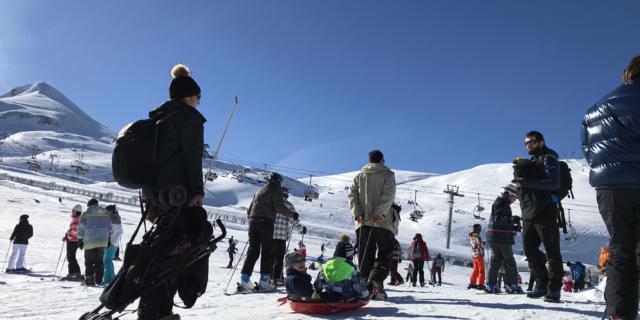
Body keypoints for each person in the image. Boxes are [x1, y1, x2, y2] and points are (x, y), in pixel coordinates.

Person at [137, 64, 210, 320]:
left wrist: (150, 201)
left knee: (164, 251)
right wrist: (197, 192)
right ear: (189, 96)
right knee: (181, 249)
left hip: (156, 196)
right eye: (198, 97)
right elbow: (192, 159)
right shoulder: (189, 119)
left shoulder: (158, 118)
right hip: (179, 195)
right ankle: (160, 311)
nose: (200, 102)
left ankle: (154, 310)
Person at [581, 55, 640, 320]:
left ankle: (618, 314)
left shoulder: (596, 108)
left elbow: (589, 150)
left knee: (621, 249)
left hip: (611, 188)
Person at [513, 130, 563, 302]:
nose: (528, 145)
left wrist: (525, 182)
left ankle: (554, 289)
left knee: (552, 252)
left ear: (541, 142)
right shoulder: (531, 162)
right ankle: (542, 284)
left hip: (545, 211)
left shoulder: (549, 158)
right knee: (530, 250)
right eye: (526, 143)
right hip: (529, 213)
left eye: (532, 142)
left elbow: (554, 183)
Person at [239, 172, 299, 293]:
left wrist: (253, 219)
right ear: (278, 181)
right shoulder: (275, 189)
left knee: (253, 251)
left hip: (253, 222)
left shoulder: (259, 191)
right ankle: (264, 281)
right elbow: (279, 207)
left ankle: (244, 280)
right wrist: (292, 215)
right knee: (267, 252)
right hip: (265, 223)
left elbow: (249, 209)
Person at [348, 149, 396, 299]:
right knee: (385, 252)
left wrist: (358, 214)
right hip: (382, 222)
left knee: (365, 254)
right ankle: (376, 281)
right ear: (381, 160)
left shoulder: (358, 176)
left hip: (363, 223)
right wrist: (379, 213)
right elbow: (389, 195)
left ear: (369, 161)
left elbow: (352, 196)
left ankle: (363, 287)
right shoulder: (388, 174)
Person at [485, 184, 523, 294]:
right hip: (501, 237)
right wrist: (512, 220)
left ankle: (491, 284)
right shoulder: (501, 203)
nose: (515, 200)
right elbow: (499, 219)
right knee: (509, 261)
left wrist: (512, 225)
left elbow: (501, 221)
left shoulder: (500, 203)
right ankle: (512, 284)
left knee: (495, 260)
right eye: (514, 197)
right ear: (507, 194)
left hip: (494, 236)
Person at [77, 198, 111, 286]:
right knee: (99, 260)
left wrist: (80, 239)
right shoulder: (105, 213)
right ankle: (99, 280)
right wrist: (109, 239)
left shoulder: (86, 213)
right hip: (102, 240)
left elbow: (81, 227)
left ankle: (89, 279)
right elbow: (109, 226)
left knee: (89, 260)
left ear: (89, 205)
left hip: (90, 240)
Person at [272, 191, 296, 285]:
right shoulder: (289, 205)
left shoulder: (273, 203)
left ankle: (267, 277)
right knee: (279, 258)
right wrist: (302, 229)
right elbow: (294, 220)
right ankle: (278, 278)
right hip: (281, 237)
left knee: (270, 256)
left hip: (270, 234)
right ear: (287, 196)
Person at [102, 205, 123, 285]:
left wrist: (110, 242)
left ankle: (108, 279)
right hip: (112, 243)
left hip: (111, 243)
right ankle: (111, 278)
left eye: (107, 211)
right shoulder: (115, 218)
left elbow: (113, 232)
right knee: (107, 260)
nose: (106, 213)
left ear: (111, 211)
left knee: (106, 261)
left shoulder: (113, 219)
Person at [62, 204, 83, 280]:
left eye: (73, 211)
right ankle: (74, 272)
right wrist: (67, 235)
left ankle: (74, 273)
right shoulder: (75, 219)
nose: (72, 212)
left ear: (77, 212)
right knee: (71, 257)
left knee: (71, 257)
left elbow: (75, 232)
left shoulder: (77, 220)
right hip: (73, 241)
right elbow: (71, 230)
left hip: (73, 241)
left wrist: (68, 236)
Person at [468, 224, 486, 290]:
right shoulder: (477, 235)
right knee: (481, 270)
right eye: (479, 228)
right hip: (479, 253)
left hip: (474, 254)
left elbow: (473, 243)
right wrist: (483, 243)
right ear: (477, 229)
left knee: (475, 269)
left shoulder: (470, 235)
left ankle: (472, 283)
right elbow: (479, 243)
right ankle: (480, 284)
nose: (480, 230)